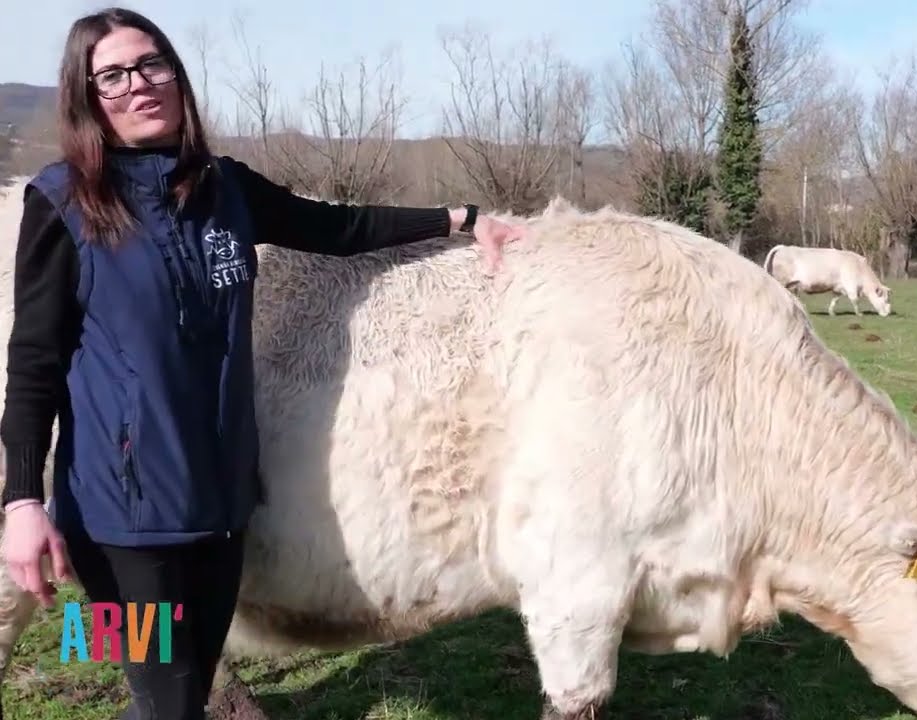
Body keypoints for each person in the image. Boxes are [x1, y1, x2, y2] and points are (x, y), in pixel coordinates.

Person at [0, 7, 524, 719]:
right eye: (113, 75)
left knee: (179, 688)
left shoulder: (223, 188)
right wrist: (23, 501)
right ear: (87, 96)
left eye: (152, 65)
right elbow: (33, 361)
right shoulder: (64, 204)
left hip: (219, 504)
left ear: (176, 77)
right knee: (171, 699)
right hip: (122, 517)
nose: (139, 85)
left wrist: (458, 219)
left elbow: (340, 228)